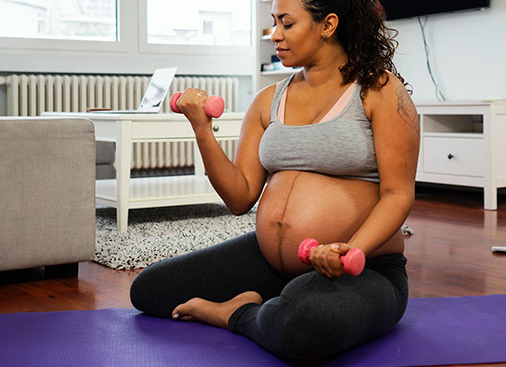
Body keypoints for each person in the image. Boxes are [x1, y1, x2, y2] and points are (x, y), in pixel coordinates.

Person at [129, 0, 419, 361]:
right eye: (273, 23)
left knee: (303, 323)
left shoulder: (379, 90)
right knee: (151, 290)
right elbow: (239, 197)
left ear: (328, 25)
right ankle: (270, 302)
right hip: (272, 263)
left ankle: (234, 313)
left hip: (363, 268)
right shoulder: (269, 99)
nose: (275, 35)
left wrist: (351, 250)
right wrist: (201, 129)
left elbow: (397, 194)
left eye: (286, 23)